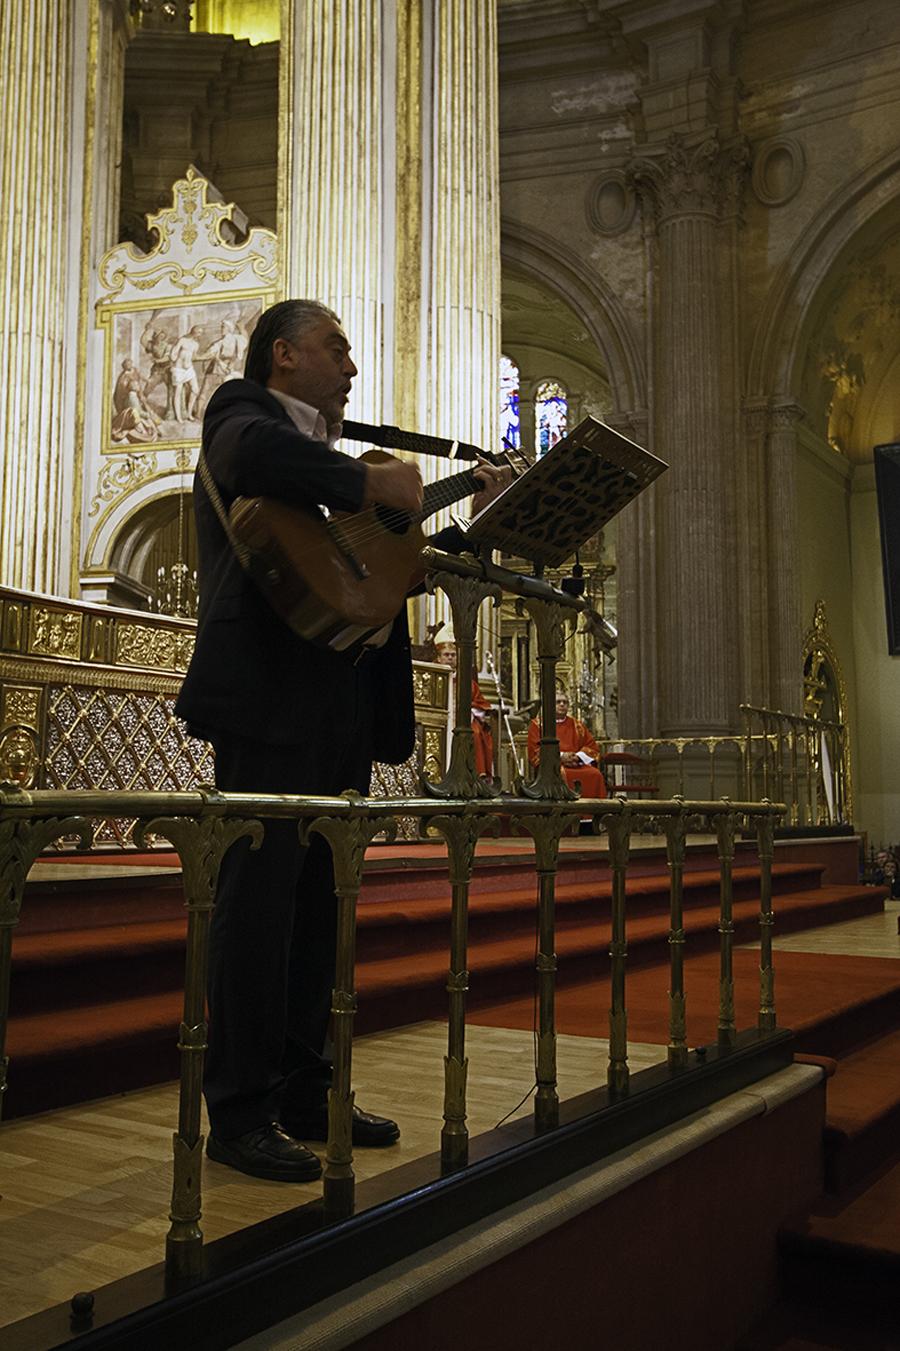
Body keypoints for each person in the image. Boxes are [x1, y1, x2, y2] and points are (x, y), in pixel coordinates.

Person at [175, 299, 507, 1182]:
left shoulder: (328, 462)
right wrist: (368, 483)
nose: (352, 366)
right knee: (258, 902)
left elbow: (369, 564)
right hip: (268, 697)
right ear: (282, 356)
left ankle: (305, 1086)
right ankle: (239, 1107)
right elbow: (254, 458)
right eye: (337, 347)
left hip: (339, 697)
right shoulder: (238, 412)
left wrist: (452, 520)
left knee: (324, 900)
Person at [527, 688, 607, 797]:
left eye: (565, 702)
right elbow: (535, 752)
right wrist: (561, 756)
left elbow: (591, 747)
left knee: (595, 774)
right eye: (558, 702)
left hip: (576, 764)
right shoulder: (538, 725)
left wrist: (578, 756)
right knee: (562, 775)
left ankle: (594, 810)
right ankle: (568, 811)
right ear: (550, 705)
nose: (562, 705)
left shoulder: (577, 725)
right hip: (553, 767)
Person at [434, 639, 495, 778]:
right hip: (438, 720)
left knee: (475, 731)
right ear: (439, 658)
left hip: (463, 719)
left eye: (453, 655)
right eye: (446, 655)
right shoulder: (432, 679)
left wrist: (469, 710)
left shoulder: (467, 682)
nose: (450, 658)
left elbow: (480, 703)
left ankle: (475, 775)